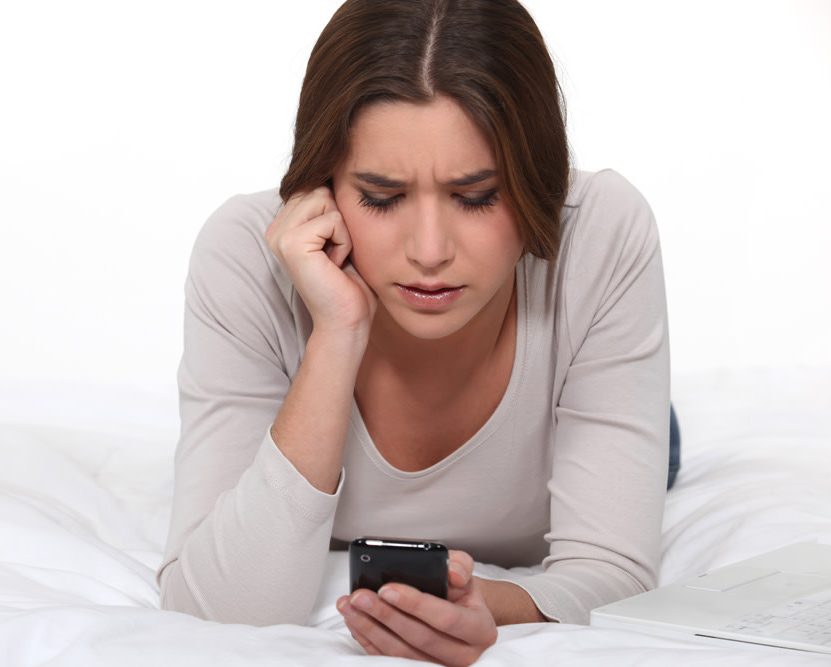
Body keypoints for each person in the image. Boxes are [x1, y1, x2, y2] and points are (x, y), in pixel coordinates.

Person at [158, 0, 676, 663]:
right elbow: (214, 611)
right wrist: (337, 333)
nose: (429, 250)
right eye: (380, 196)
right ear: (322, 187)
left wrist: (491, 604)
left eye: (477, 195)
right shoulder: (245, 254)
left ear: (537, 181)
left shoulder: (603, 232)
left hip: (577, 385)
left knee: (657, 444)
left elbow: (616, 575)